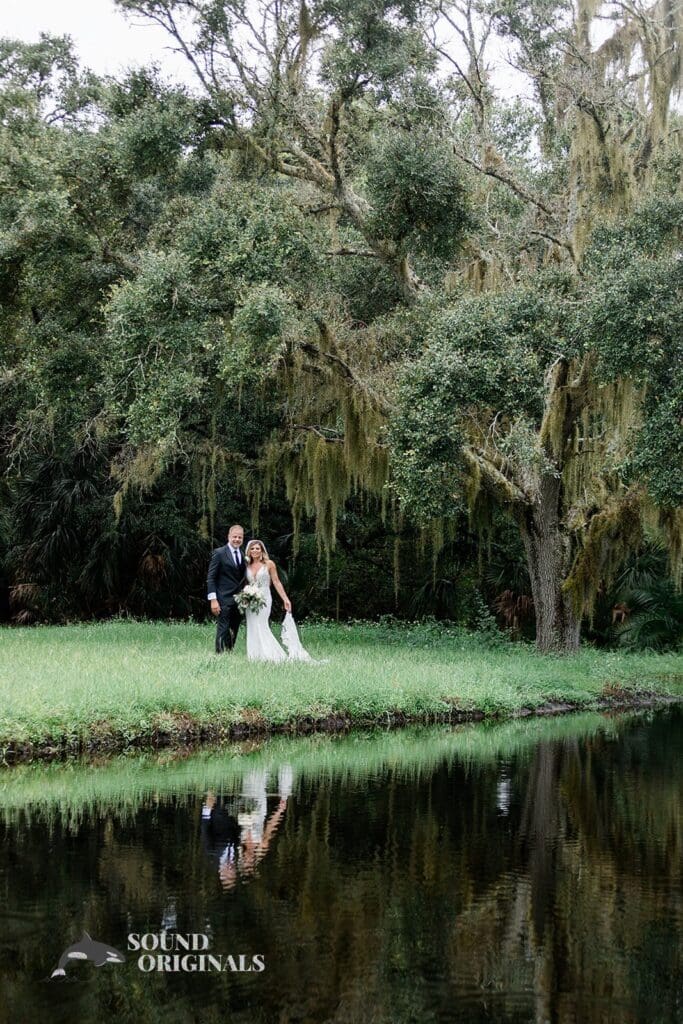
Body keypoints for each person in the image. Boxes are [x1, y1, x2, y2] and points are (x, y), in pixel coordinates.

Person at [243, 539, 294, 662]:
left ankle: (271, 655)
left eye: (257, 548)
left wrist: (285, 599)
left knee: (261, 624)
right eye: (252, 548)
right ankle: (255, 656)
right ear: (248, 551)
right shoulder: (246, 565)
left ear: (262, 551)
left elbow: (276, 582)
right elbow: (244, 583)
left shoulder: (269, 564)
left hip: (264, 598)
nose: (255, 551)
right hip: (250, 599)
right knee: (252, 625)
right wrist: (244, 596)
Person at [207, 524, 247, 653]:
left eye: (240, 537)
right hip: (222, 598)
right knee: (223, 628)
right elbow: (211, 578)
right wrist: (213, 600)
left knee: (234, 627)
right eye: (234, 536)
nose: (237, 539)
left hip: (238, 599)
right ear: (229, 536)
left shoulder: (243, 555)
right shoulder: (219, 553)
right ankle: (219, 654)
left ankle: (229, 652)